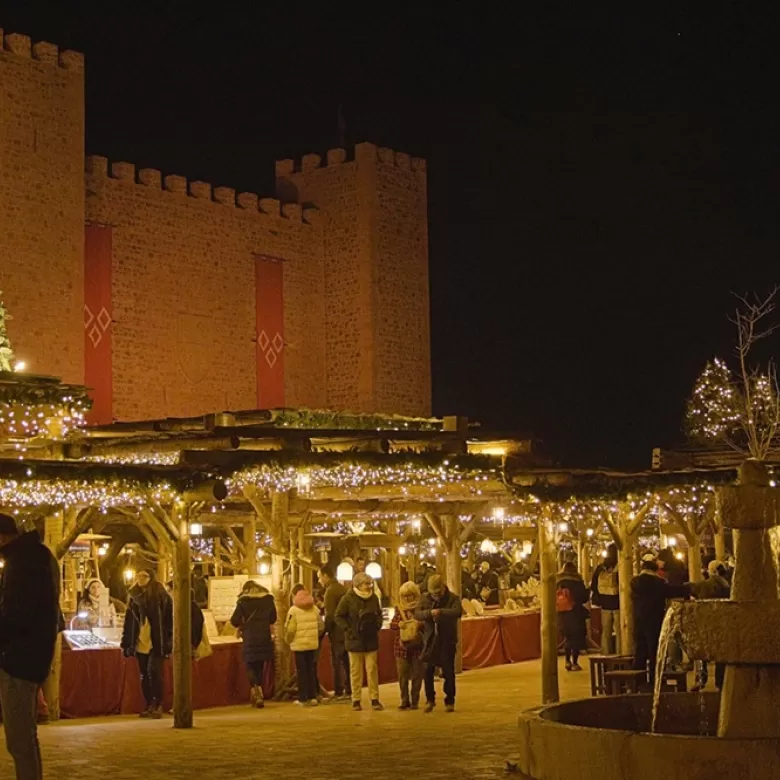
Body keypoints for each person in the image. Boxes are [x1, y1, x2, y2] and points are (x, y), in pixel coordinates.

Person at [0, 514, 60, 780]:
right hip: (30, 655)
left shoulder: (22, 563)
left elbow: (16, 614)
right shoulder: (40, 556)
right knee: (25, 736)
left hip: (18, 658)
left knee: (20, 737)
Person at [120, 569, 173, 719]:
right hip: (141, 639)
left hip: (157, 641)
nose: (141, 579)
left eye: (144, 576)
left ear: (151, 577)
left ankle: (158, 703)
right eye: (138, 576)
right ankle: (149, 704)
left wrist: (169, 639)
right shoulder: (134, 596)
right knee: (144, 674)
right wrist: (126, 642)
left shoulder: (160, 595)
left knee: (154, 672)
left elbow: (170, 619)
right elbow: (129, 621)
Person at [631, 555, 689, 683]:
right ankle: (655, 680)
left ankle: (636, 682)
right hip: (654, 619)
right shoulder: (658, 583)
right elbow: (672, 591)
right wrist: (689, 588)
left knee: (640, 649)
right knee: (654, 650)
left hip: (638, 619)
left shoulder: (634, 583)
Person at [334, 572, 384, 711]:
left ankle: (374, 699)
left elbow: (378, 614)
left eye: (370, 584)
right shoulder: (348, 599)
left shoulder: (374, 598)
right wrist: (348, 629)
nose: (368, 587)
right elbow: (338, 616)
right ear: (358, 585)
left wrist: (377, 626)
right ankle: (356, 699)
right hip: (354, 640)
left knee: (372, 669)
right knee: (355, 671)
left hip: (371, 639)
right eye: (366, 584)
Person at [416, 574, 463, 713]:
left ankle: (450, 700)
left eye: (438, 593)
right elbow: (418, 613)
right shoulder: (425, 599)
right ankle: (430, 699)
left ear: (443, 588)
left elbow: (457, 612)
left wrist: (441, 612)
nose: (436, 596)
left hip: (447, 640)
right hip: (430, 640)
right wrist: (430, 613)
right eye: (433, 594)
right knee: (427, 671)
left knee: (448, 671)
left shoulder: (453, 598)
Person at [230, 580, 276, 707]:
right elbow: (273, 618)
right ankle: (259, 691)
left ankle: (256, 690)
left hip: (250, 637)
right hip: (264, 637)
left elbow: (234, 620)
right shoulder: (268, 600)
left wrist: (243, 624)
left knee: (250, 665)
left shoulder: (243, 602)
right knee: (260, 665)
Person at [689, 560, 730, 691]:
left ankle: (701, 679)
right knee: (720, 654)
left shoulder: (702, 585)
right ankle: (720, 681)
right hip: (722, 622)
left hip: (704, 622)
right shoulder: (727, 586)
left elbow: (691, 590)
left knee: (702, 653)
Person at [285, 585, 323, 707]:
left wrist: (288, 640)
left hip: (299, 646)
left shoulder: (293, 610)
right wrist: (314, 637)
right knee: (311, 670)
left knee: (301, 672)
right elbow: (321, 626)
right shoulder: (315, 609)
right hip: (312, 645)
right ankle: (313, 697)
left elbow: (290, 629)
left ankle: (303, 698)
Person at [390, 581, 425, 710]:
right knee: (402, 675)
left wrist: (419, 624)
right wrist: (398, 624)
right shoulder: (398, 609)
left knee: (417, 674)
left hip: (418, 646)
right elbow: (392, 625)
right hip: (401, 647)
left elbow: (427, 624)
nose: (407, 599)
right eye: (404, 596)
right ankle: (404, 700)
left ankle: (415, 700)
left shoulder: (421, 608)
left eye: (409, 595)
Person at [318, 564, 350, 701]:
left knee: (337, 663)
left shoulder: (330, 591)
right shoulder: (343, 589)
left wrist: (324, 632)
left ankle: (338, 691)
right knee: (347, 662)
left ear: (326, 576)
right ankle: (349, 689)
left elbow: (330, 615)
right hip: (346, 631)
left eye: (319, 577)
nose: (319, 581)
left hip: (337, 634)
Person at [556, 561, 590, 671]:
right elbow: (584, 598)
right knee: (576, 638)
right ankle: (574, 662)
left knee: (568, 638)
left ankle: (567, 661)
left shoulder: (558, 581)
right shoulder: (577, 581)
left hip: (562, 612)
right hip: (575, 613)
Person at [590, 544, 620, 655]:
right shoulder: (622, 567)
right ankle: (620, 653)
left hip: (605, 604)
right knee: (620, 631)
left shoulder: (600, 568)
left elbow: (593, 585)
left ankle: (606, 654)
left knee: (606, 631)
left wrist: (600, 597)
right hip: (619, 604)